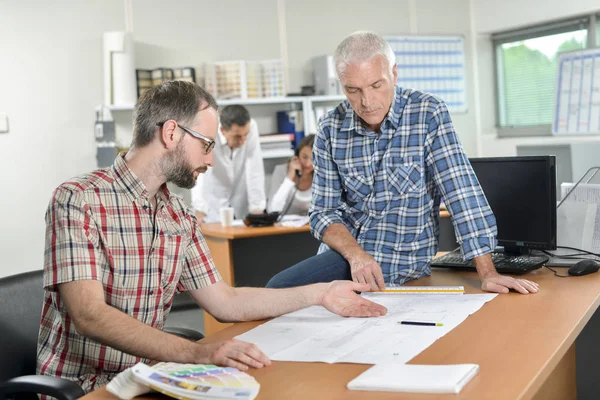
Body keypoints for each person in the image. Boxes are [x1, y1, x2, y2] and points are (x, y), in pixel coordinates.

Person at [36, 81, 387, 394]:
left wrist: (321, 293)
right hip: (81, 388)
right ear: (171, 133)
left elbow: (227, 302)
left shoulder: (179, 217)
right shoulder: (79, 199)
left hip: (147, 380)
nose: (212, 160)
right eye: (206, 145)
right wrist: (196, 352)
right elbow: (90, 315)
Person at [266, 31, 539, 296]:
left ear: (394, 74)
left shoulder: (427, 114)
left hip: (402, 266)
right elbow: (322, 213)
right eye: (353, 90)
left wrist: (488, 273)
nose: (367, 101)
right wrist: (357, 256)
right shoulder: (330, 128)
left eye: (376, 85)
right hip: (346, 260)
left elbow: (461, 194)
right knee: (276, 292)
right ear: (342, 84)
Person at [190, 104, 265, 223]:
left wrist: (257, 208)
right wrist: (200, 209)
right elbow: (202, 170)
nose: (243, 140)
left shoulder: (251, 127)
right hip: (213, 202)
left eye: (246, 135)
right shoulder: (208, 130)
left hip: (240, 199)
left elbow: (254, 168)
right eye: (237, 136)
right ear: (222, 130)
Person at [268, 134, 315, 215]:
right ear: (297, 154)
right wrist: (289, 178)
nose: (308, 164)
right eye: (304, 157)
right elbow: (272, 210)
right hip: (283, 226)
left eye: (314, 158)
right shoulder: (280, 171)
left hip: (311, 226)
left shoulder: (323, 175)